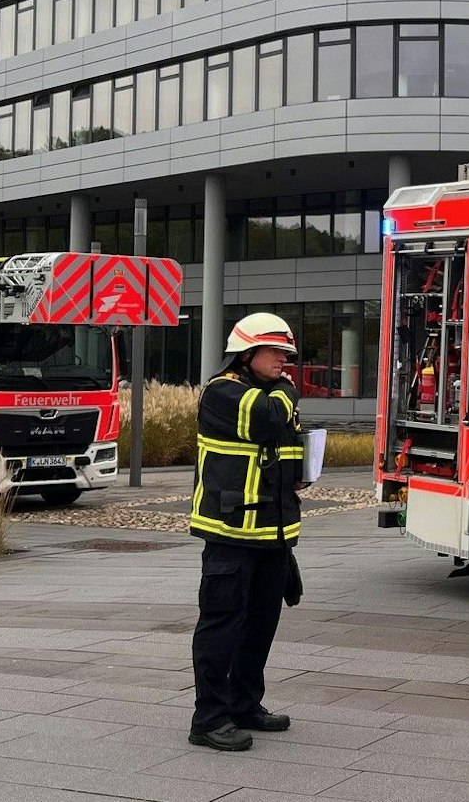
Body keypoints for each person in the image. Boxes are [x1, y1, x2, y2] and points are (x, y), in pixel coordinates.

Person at [188, 312, 309, 752]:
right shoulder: (223, 392)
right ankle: (208, 719)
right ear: (246, 353)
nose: (283, 360)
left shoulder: (272, 394)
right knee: (221, 626)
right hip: (230, 532)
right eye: (275, 351)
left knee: (259, 626)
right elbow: (271, 419)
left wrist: (300, 474)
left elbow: (287, 448)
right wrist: (289, 391)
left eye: (286, 353)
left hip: (271, 534)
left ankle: (244, 704)